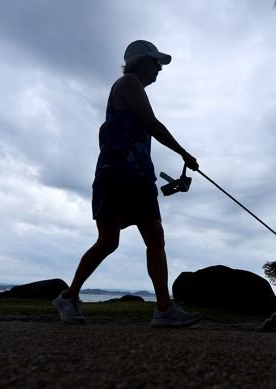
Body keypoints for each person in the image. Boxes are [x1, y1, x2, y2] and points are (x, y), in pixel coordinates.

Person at [53, 40, 202, 327]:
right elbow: (152, 124)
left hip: (137, 178)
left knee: (154, 237)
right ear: (139, 62)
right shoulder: (129, 82)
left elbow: (106, 134)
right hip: (119, 178)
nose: (159, 68)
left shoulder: (126, 95)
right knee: (109, 242)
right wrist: (185, 153)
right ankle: (68, 297)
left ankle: (163, 308)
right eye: (155, 62)